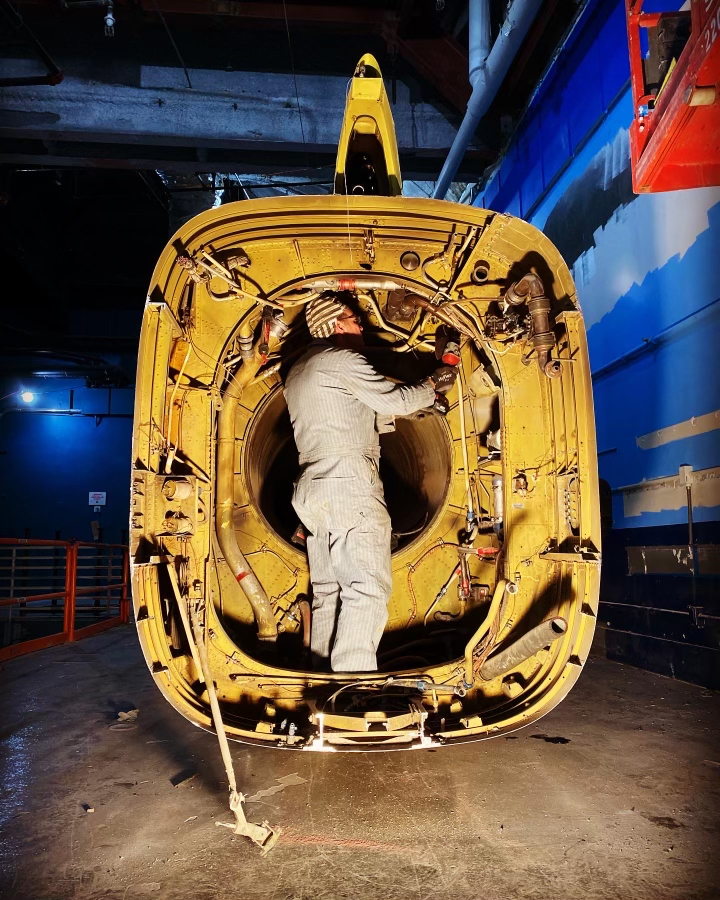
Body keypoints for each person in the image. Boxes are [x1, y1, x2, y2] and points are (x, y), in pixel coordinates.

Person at [283, 292, 457, 672]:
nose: (359, 323)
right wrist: (434, 384)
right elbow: (394, 400)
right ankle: (351, 692)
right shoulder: (341, 360)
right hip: (348, 484)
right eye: (350, 317)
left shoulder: (297, 372)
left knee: (328, 591)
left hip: (313, 492)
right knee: (366, 590)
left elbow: (360, 410)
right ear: (330, 324)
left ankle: (323, 684)